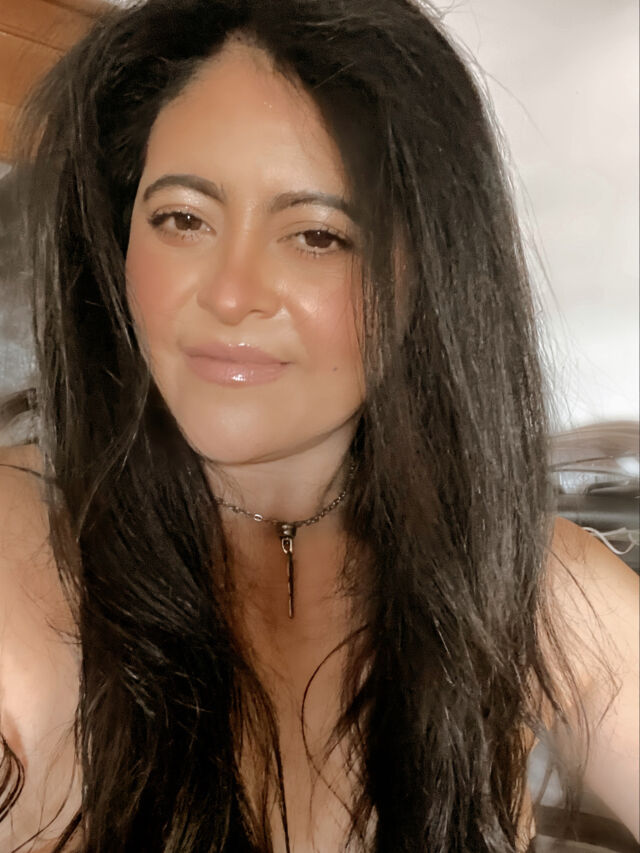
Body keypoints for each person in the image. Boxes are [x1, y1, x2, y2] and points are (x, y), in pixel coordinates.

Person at [0, 0, 637, 851]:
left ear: (427, 275)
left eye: (316, 234)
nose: (230, 293)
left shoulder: (536, 584)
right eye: (182, 218)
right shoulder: (21, 546)